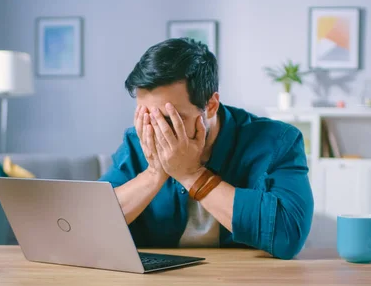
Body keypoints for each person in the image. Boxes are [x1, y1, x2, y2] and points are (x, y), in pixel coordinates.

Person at [99, 38, 313, 259]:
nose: (158, 131)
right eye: (147, 116)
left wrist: (191, 174)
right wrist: (155, 173)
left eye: (171, 119)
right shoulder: (137, 141)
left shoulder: (278, 141)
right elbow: (87, 226)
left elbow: (288, 237)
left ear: (210, 105)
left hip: (247, 282)